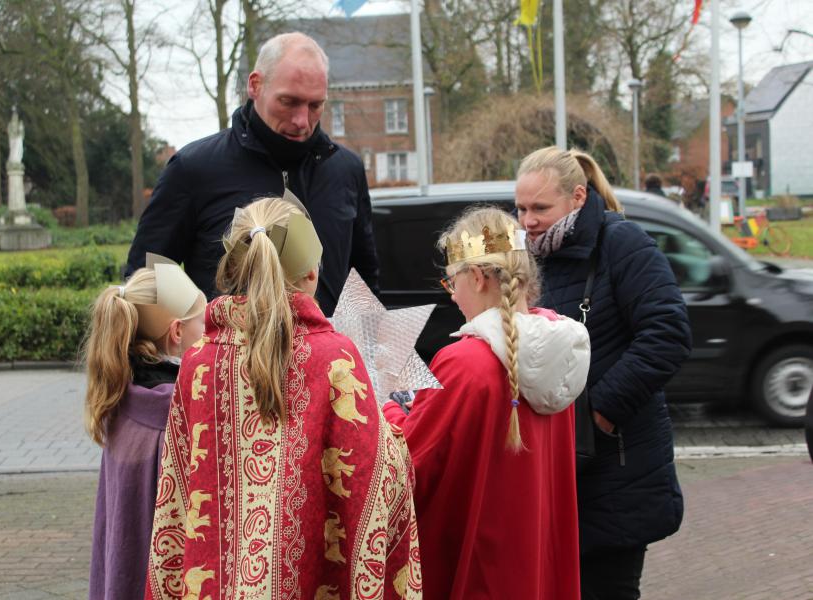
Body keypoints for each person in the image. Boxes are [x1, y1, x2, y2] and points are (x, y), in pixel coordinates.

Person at [145, 196, 421, 600]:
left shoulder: (198, 361)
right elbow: (373, 481)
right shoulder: (336, 357)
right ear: (313, 270)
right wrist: (392, 427)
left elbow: (176, 487)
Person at [383, 206, 590, 599]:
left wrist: (389, 405)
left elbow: (410, 467)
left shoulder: (466, 363)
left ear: (476, 277)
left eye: (451, 282)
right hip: (534, 568)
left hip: (479, 570)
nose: (454, 296)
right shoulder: (557, 348)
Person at [515, 146, 692, 600]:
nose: (527, 220)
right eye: (520, 208)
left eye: (539, 208)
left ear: (577, 197)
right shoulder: (528, 256)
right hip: (558, 464)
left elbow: (668, 334)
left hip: (616, 468)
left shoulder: (622, 243)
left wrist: (600, 414)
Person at [125, 32, 378, 317]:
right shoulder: (193, 169)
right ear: (255, 85)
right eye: (289, 102)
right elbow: (146, 281)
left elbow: (366, 279)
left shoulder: (346, 170)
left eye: (315, 105)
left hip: (328, 359)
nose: (301, 120)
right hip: (228, 360)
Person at [86, 255, 207, 600]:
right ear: (178, 332)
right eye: (203, 323)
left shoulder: (121, 395)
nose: (210, 332)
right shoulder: (177, 411)